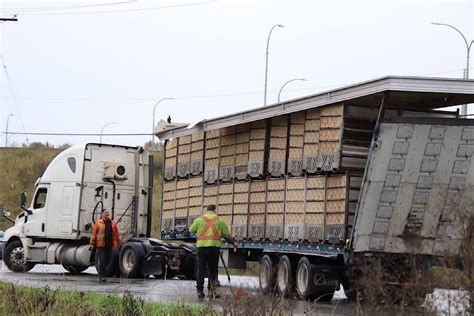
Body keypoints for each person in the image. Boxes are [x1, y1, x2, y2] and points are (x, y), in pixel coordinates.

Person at [188, 204, 236, 299]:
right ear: (214, 210)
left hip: (201, 248)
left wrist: (200, 232)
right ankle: (211, 291)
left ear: (207, 210)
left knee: (201, 269)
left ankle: (199, 291)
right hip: (214, 248)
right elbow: (226, 235)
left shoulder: (199, 219)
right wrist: (234, 243)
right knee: (213, 269)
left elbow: (191, 230)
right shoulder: (219, 220)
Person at [89, 209, 122, 282]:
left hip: (109, 245)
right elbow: (94, 234)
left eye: (108, 213)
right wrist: (91, 244)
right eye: (106, 212)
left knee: (107, 261)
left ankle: (104, 275)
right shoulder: (98, 223)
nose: (107, 214)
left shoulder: (112, 223)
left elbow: (116, 234)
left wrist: (119, 242)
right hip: (101, 245)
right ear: (102, 214)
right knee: (102, 261)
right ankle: (102, 276)